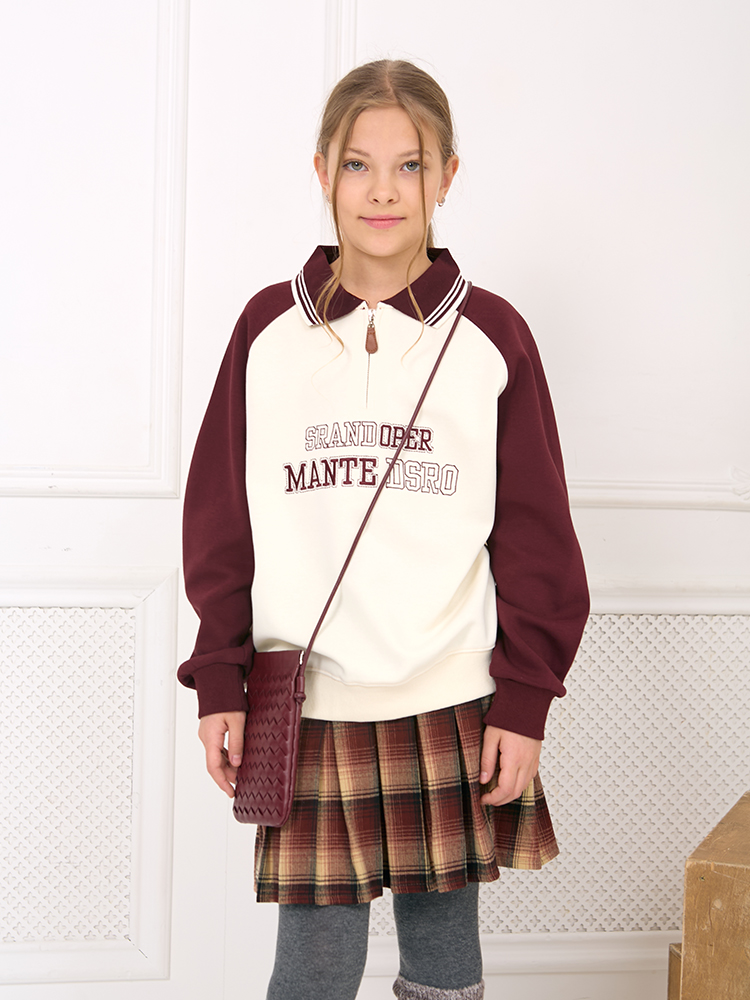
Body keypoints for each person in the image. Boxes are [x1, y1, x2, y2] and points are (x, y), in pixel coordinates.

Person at [178, 59, 589, 1000]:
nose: (383, 190)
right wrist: (218, 678)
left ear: (447, 177)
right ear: (323, 171)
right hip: (309, 702)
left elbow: (537, 536)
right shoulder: (265, 331)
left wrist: (525, 699)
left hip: (452, 695)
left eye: (410, 165)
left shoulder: (493, 335)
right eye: (359, 165)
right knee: (313, 970)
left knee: (445, 964)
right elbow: (220, 523)